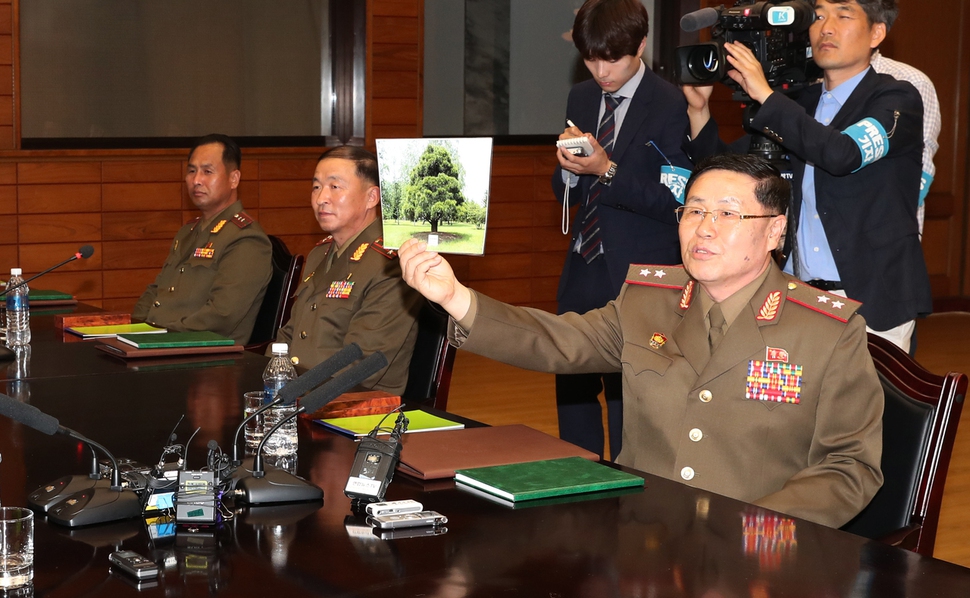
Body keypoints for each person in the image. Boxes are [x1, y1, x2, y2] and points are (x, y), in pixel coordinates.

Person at [399, 153, 883, 528]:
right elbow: (559, 341)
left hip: (753, 553)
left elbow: (849, 467)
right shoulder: (648, 300)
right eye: (693, 210)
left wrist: (752, 531)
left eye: (728, 215)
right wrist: (456, 298)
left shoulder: (825, 329)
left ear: (775, 231)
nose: (704, 228)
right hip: (639, 537)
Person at [682, 0, 931, 354]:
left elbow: (841, 154)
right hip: (802, 296)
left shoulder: (897, 98)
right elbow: (725, 172)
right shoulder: (799, 103)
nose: (826, 27)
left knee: (868, 409)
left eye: (843, 15)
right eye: (817, 16)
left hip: (875, 299)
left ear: (877, 33)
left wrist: (766, 95)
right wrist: (699, 108)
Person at [552, 0, 691, 459]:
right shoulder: (580, 96)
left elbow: (672, 201)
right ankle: (576, 482)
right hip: (584, 261)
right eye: (592, 58)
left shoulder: (670, 102)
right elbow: (565, 189)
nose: (602, 71)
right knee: (572, 385)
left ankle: (626, 494)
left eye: (613, 58)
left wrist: (605, 169)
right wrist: (571, 172)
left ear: (642, 45)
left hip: (638, 272)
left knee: (626, 394)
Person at [274, 146, 421, 395]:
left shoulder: (393, 263)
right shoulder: (320, 254)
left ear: (372, 197)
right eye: (316, 186)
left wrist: (293, 394)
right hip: (302, 393)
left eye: (335, 187)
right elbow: (290, 335)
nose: (321, 198)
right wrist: (269, 378)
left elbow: (363, 364)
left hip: (354, 405)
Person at [133, 134, 272, 344]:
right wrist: (133, 329)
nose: (196, 180)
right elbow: (156, 291)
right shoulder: (188, 231)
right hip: (161, 345)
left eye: (207, 171)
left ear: (233, 179)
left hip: (202, 355)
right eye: (191, 171)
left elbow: (221, 316)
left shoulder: (246, 238)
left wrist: (159, 339)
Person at [870, 49, 941, 236]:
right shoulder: (811, 79)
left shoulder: (909, 80)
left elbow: (921, 169)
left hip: (883, 239)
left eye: (844, 17)